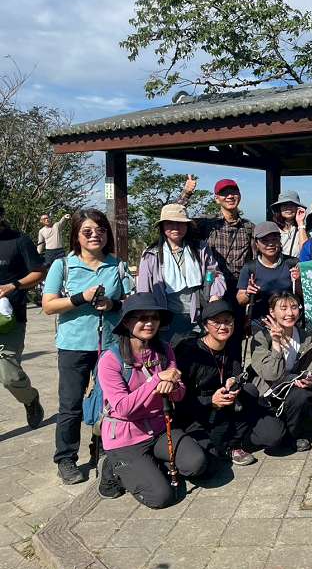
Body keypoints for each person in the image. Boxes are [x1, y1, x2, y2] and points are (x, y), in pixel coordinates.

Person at [43, 209, 133, 484]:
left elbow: (131, 302)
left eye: (101, 230)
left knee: (110, 401)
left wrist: (113, 304)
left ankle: (105, 447)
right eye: (87, 231)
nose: (95, 235)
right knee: (70, 404)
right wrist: (81, 297)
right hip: (73, 345)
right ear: (76, 235)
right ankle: (66, 458)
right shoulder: (63, 266)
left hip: (110, 346)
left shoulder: (117, 265)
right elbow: (48, 305)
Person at [96, 293, 207, 507]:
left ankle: (149, 465)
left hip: (159, 429)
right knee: (161, 497)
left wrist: (172, 386)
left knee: (197, 464)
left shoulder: (165, 350)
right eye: (141, 317)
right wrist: (156, 380)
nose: (149, 323)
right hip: (125, 437)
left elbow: (180, 393)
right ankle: (111, 467)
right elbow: (123, 408)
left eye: (154, 317)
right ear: (126, 322)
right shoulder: (110, 360)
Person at [174, 300, 288, 466]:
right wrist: (210, 401)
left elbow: (236, 372)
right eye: (216, 322)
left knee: (273, 433)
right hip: (199, 411)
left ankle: (239, 440)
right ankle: (229, 446)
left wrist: (234, 380)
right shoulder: (190, 352)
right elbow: (180, 399)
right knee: (207, 460)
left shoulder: (232, 344)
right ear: (205, 326)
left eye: (228, 321)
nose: (223, 326)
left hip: (230, 404)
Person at [137, 204, 226, 344]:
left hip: (197, 315)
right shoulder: (151, 254)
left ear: (187, 226)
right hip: (166, 318)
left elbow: (215, 273)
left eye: (180, 223)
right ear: (162, 226)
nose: (175, 227)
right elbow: (143, 289)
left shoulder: (200, 248)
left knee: (196, 352)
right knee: (169, 354)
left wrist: (215, 295)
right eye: (170, 223)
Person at [248, 292, 312, 452]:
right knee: (273, 438)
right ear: (272, 312)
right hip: (266, 396)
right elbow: (271, 375)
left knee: (302, 395)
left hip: (290, 392)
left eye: (294, 307)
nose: (290, 313)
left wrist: (309, 379)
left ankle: (293, 435)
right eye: (283, 308)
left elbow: (311, 370)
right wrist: (276, 343)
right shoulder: (261, 338)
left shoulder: (306, 337)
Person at [0, 202, 45, 429]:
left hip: (10, 318)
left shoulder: (19, 241)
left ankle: (30, 398)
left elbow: (39, 272)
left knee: (9, 375)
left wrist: (13, 286)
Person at [177, 176, 254, 297]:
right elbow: (174, 218)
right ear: (217, 199)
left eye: (233, 192)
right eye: (224, 193)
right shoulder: (206, 223)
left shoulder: (249, 228)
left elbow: (255, 260)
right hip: (213, 288)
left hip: (240, 290)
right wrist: (186, 193)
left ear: (239, 195)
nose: (230, 196)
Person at [237, 222, 298, 321]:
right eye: (264, 240)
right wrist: (248, 293)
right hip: (260, 322)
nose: (270, 244)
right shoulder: (250, 268)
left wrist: (298, 281)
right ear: (256, 243)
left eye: (274, 239)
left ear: (279, 241)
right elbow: (240, 299)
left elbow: (304, 294)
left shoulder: (293, 263)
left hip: (289, 320)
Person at [270, 191, 308, 260]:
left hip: (296, 266)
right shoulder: (272, 229)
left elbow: (305, 251)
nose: (288, 208)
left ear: (297, 208)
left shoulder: (304, 230)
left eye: (292, 205)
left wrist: (300, 223)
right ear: (279, 208)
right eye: (284, 205)